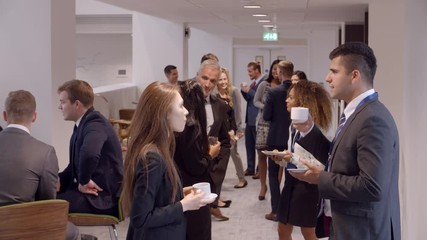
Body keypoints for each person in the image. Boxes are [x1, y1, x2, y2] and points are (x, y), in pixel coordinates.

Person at [290, 42, 401, 240]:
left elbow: (372, 186)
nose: (327, 78)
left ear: (354, 76)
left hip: (363, 232)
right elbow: (341, 157)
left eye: (334, 71)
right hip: (348, 226)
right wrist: (309, 130)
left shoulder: (372, 119)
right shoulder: (357, 113)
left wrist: (320, 178)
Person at [122, 82, 213, 240]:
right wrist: (184, 205)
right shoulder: (153, 157)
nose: (186, 112)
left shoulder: (160, 149)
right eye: (180, 106)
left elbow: (157, 198)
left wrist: (180, 193)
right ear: (163, 114)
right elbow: (140, 217)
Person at [0, 90, 79, 240]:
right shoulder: (45, 152)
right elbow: (47, 202)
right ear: (34, 116)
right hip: (24, 228)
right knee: (72, 231)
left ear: (4, 115)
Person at [57, 79, 123, 218]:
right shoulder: (83, 124)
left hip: (102, 199)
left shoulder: (95, 123)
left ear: (76, 104)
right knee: (45, 196)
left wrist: (84, 181)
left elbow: (90, 154)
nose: (59, 107)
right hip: (93, 195)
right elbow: (74, 165)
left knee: (47, 206)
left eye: (63, 102)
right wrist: (57, 180)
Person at [276, 81, 332, 240]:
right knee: (282, 228)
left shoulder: (318, 129)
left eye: (291, 97)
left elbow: (318, 164)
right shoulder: (292, 126)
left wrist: (291, 157)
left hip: (309, 187)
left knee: (308, 232)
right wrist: (282, 159)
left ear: (302, 102)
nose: (286, 100)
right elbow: (293, 153)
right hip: (291, 182)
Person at [174, 80, 221, 240]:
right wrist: (211, 154)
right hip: (192, 186)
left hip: (184, 184)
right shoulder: (190, 126)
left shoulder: (186, 125)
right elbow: (196, 166)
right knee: (197, 231)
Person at [194, 60, 231, 221]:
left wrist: (219, 169)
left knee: (202, 225)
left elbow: (225, 140)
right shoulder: (183, 102)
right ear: (197, 76)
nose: (207, 84)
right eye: (204, 78)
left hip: (209, 167)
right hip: (186, 169)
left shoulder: (220, 105)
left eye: (213, 81)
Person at [262, 60, 293, 221]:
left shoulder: (274, 92)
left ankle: (276, 211)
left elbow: (266, 116)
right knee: (291, 175)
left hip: (275, 138)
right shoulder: (298, 91)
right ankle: (289, 210)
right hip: (293, 139)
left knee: (273, 175)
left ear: (280, 73)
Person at [253, 59, 281, 201]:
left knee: (278, 157)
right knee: (262, 156)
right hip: (264, 123)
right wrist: (267, 107)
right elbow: (256, 101)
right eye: (274, 69)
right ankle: (263, 186)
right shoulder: (265, 84)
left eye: (279, 69)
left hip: (279, 125)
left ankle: (276, 185)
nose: (276, 72)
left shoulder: (285, 86)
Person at [216, 67, 247, 189]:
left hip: (231, 130)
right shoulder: (213, 94)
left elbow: (237, 112)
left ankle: (242, 178)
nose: (223, 82)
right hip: (219, 130)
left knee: (234, 153)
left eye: (225, 79)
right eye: (220, 79)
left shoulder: (233, 91)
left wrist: (238, 130)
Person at [241, 61, 266, 176]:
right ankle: (250, 168)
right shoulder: (253, 83)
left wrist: (249, 91)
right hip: (249, 119)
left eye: (250, 71)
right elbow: (250, 99)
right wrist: (244, 91)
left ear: (257, 70)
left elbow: (258, 98)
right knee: (249, 145)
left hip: (257, 119)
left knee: (259, 147)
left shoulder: (264, 82)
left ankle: (259, 169)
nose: (249, 74)